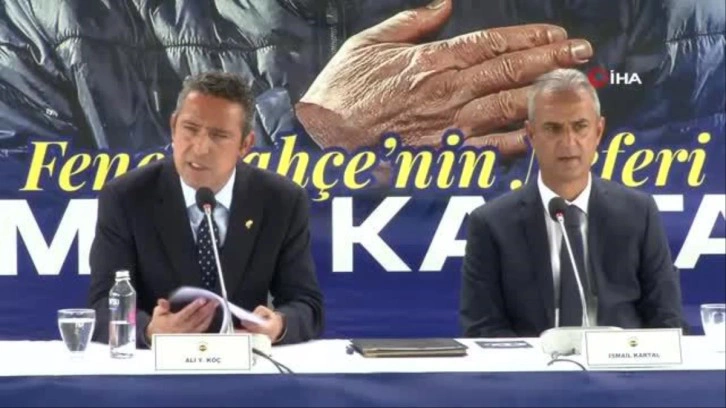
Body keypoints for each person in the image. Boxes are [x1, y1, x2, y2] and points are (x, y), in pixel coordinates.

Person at [88, 72, 324, 347]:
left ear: (245, 145)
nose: (200, 148)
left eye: (219, 135)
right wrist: (150, 330)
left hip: (246, 364)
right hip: (156, 366)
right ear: (173, 127)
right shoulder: (126, 197)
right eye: (190, 129)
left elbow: (306, 305)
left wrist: (277, 325)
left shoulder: (281, 200)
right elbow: (102, 304)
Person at [459, 68, 685, 338]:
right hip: (533, 364)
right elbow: (483, 329)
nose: (568, 142)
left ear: (598, 131)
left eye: (580, 127)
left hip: (620, 363)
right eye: (553, 128)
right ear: (531, 134)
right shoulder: (491, 224)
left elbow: (667, 319)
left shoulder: (639, 213)